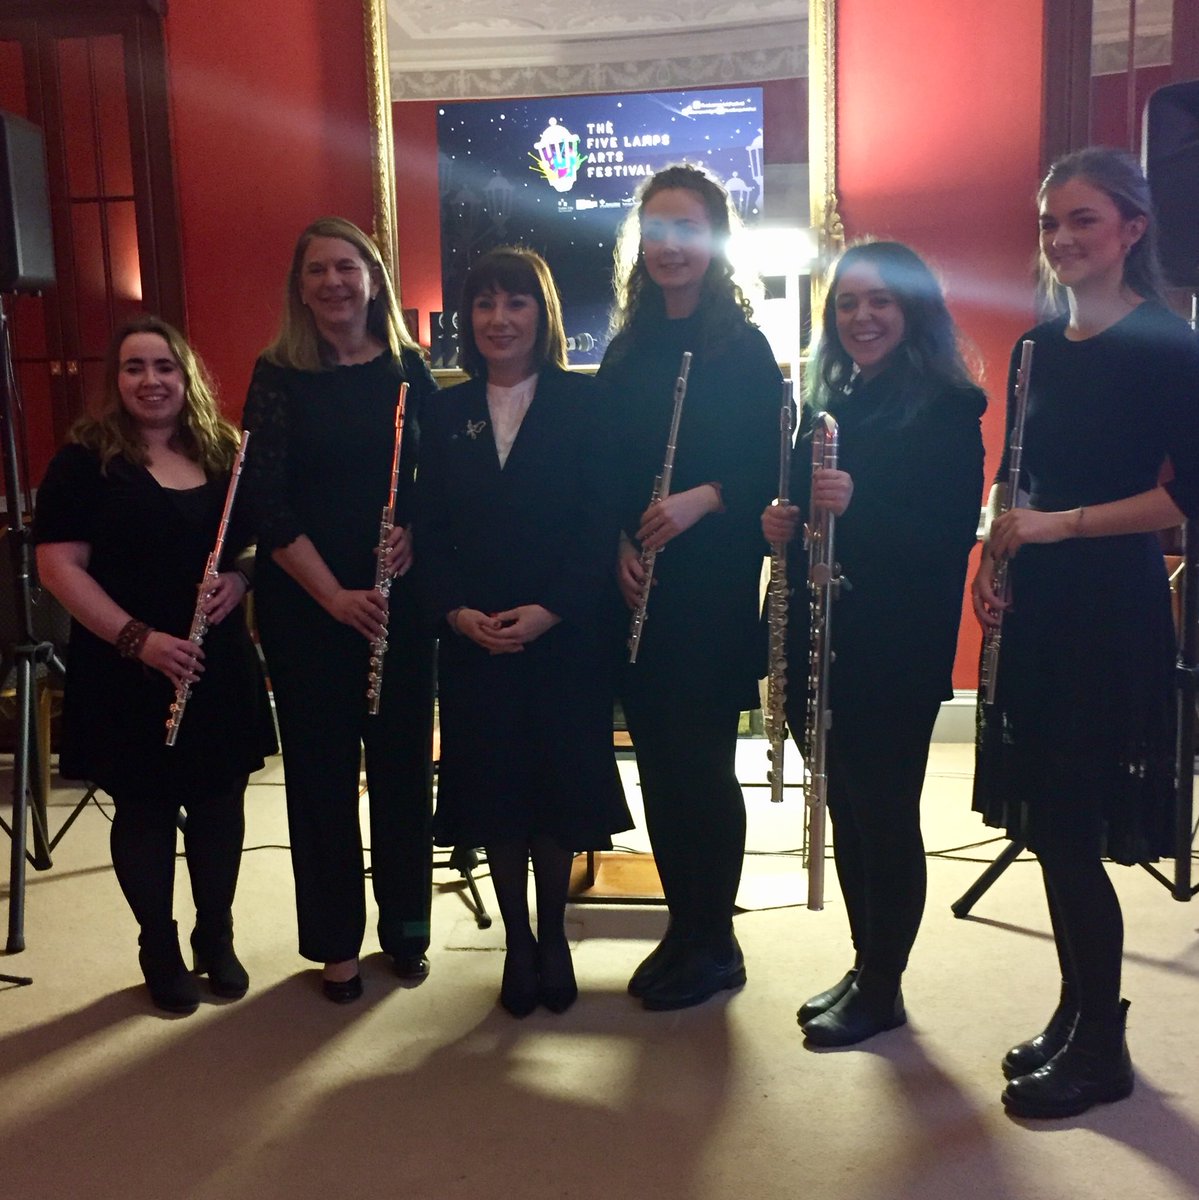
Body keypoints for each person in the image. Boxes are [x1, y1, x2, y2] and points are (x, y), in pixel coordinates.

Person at [972, 147, 1199, 1118]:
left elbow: (1183, 500)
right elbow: (1011, 474)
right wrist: (991, 553)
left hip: (1107, 607)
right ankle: (1074, 1013)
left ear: (1130, 231)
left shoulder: (1167, 343)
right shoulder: (1033, 347)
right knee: (1046, 827)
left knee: (1070, 829)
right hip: (1037, 602)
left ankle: (1100, 1045)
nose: (1059, 239)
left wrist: (1055, 528)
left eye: (1082, 221)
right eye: (1048, 224)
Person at [762, 241, 985, 1047]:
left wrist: (857, 503)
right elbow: (805, 517)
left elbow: (945, 538)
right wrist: (778, 526)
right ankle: (866, 964)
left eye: (880, 301)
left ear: (912, 310)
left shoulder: (948, 408)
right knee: (846, 810)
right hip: (821, 640)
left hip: (892, 647)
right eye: (847, 303)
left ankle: (883, 986)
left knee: (883, 814)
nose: (861, 317)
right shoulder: (833, 398)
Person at [33, 317, 276, 1014]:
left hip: (213, 659)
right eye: (134, 367)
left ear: (186, 375)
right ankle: (159, 948)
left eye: (164, 366)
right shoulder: (84, 462)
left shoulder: (224, 451)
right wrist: (138, 639)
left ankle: (215, 934)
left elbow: (257, 545)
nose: (150, 380)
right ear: (115, 381)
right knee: (144, 806)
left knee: (220, 802)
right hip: (127, 664)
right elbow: (58, 567)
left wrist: (242, 580)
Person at [415, 246, 630, 1017]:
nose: (499, 319)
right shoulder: (444, 411)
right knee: (496, 793)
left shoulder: (585, 402)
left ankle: (553, 935)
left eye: (516, 303)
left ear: (543, 314)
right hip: (474, 638)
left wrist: (551, 610)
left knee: (554, 791)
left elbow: (599, 521)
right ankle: (516, 941)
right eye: (484, 304)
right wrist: (454, 612)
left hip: (562, 634)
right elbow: (427, 529)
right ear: (466, 319)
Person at [598, 163, 781, 1011]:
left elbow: (770, 467)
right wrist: (617, 544)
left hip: (708, 584)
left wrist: (700, 497)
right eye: (656, 231)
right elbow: (599, 468)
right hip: (639, 585)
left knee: (702, 765)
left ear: (713, 241)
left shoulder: (742, 349)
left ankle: (717, 938)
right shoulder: (627, 347)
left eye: (686, 230)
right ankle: (683, 925)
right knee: (659, 767)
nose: (669, 247)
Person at [242, 217, 437, 1003]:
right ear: (300, 286)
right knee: (320, 777)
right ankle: (335, 945)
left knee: (401, 771)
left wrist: (416, 532)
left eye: (346, 267)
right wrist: (332, 596)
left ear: (373, 279)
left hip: (396, 602)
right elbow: (264, 499)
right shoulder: (276, 374)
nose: (333, 283)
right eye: (317, 270)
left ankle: (408, 928)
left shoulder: (408, 368)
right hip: (309, 605)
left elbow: (440, 476)